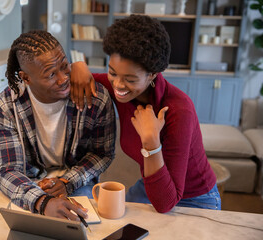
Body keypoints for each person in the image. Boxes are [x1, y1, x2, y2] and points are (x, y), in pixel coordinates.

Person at [70, 15, 221, 213]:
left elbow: (166, 203)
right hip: (151, 182)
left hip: (195, 198)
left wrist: (151, 141)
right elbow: (86, 79)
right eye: (113, 73)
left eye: (130, 79)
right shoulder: (121, 90)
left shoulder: (178, 110)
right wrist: (78, 66)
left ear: (152, 74)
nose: (118, 85)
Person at [0, 30, 116, 219]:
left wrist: (67, 181)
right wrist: (42, 201)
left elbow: (102, 154)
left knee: (83, 229)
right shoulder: (6, 105)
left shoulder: (95, 98)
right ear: (26, 78)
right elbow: (7, 170)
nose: (63, 78)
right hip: (26, 184)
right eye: (51, 74)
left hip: (78, 181)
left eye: (65, 66)